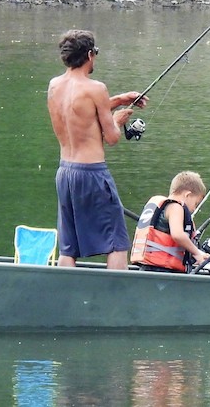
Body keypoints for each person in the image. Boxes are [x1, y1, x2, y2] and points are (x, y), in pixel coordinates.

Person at [47, 29, 147, 269]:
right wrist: (119, 119)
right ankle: (114, 299)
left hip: (65, 173)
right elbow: (111, 137)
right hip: (92, 174)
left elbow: (78, 111)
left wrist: (120, 99)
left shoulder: (55, 86)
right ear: (90, 54)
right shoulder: (96, 88)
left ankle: (69, 297)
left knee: (68, 246)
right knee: (116, 241)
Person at [131, 171, 210, 273]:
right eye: (196, 203)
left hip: (149, 267)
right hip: (162, 270)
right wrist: (197, 253)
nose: (195, 209)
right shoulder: (175, 207)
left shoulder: (163, 206)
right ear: (187, 195)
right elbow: (177, 235)